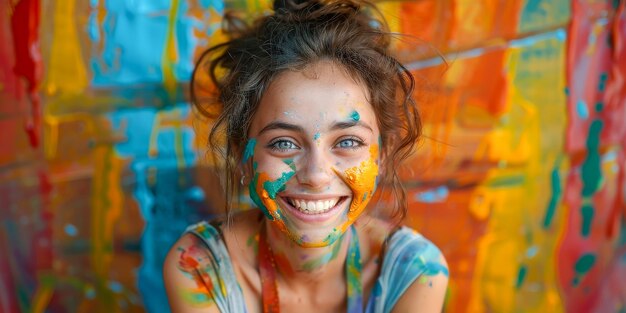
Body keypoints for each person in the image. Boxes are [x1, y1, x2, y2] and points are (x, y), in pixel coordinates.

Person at [163, 0, 449, 312]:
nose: (316, 175)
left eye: (348, 141)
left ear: (382, 153)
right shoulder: (198, 266)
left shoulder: (417, 272)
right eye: (284, 143)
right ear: (241, 154)